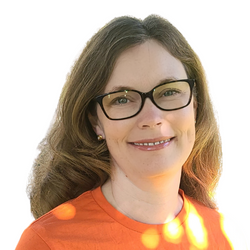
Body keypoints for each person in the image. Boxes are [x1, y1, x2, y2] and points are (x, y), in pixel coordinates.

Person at [15, 15, 245, 249]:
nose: (152, 119)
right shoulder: (48, 242)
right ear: (96, 121)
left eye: (168, 92)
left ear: (195, 105)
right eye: (122, 98)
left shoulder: (226, 238)